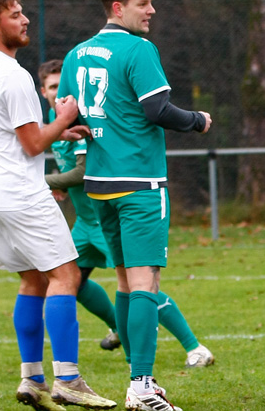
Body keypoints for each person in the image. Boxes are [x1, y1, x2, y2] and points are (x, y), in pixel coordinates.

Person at [57, 0, 212, 411]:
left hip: (101, 183)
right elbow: (157, 109)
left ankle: (136, 374)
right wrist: (198, 119)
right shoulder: (139, 50)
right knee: (146, 282)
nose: (152, 11)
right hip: (140, 182)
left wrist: (81, 131)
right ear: (118, 7)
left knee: (125, 281)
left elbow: (67, 114)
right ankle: (142, 384)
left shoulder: (77, 53)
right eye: (143, 3)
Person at [0, 0, 116, 411]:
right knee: (66, 275)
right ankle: (68, 378)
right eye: (15, 16)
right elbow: (32, 144)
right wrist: (65, 118)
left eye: (23, 12)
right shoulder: (13, 75)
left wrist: (56, 132)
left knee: (32, 279)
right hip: (19, 192)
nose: (25, 19)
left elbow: (12, 132)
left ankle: (31, 377)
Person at [38, 60, 215, 369]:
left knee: (139, 283)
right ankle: (120, 329)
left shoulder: (80, 117)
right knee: (68, 281)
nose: (58, 93)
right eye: (52, 87)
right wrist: (60, 184)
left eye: (60, 86)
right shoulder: (55, 121)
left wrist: (43, 183)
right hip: (84, 222)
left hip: (106, 214)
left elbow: (81, 171)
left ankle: (195, 347)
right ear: (44, 92)